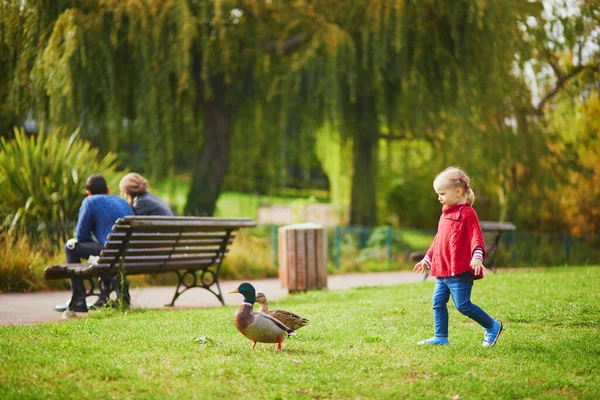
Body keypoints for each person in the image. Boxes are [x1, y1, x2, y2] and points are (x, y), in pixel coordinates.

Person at [413, 167, 503, 347]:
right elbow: (438, 241)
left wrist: (477, 257)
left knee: (463, 305)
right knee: (437, 302)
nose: (439, 197)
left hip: (460, 270)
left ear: (458, 191)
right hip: (443, 271)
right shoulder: (444, 214)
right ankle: (440, 337)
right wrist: (427, 259)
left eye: (441, 193)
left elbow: (476, 237)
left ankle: (492, 326)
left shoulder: (468, 214)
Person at [55, 174, 134, 313]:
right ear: (108, 190)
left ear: (88, 192)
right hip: (131, 254)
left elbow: (80, 235)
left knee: (71, 246)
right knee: (106, 250)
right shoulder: (121, 201)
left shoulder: (90, 201)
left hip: (110, 253)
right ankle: (106, 296)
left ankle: (79, 298)